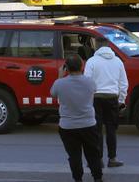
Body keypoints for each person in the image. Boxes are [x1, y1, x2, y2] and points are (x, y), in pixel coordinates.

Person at [50, 53, 103, 182]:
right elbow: (93, 91)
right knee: (93, 154)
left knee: (74, 155)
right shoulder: (90, 82)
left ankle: (78, 179)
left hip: (67, 126)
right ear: (82, 66)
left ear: (66, 68)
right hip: (88, 124)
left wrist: (59, 77)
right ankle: (97, 178)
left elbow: (53, 94)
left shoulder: (59, 83)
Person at [84, 37, 128, 168]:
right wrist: (121, 100)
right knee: (111, 130)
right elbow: (123, 83)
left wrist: (88, 100)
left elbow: (87, 82)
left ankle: (98, 160)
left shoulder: (91, 61)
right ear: (109, 46)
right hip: (112, 98)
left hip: (96, 98)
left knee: (96, 131)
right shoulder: (118, 61)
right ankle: (112, 159)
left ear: (96, 46)